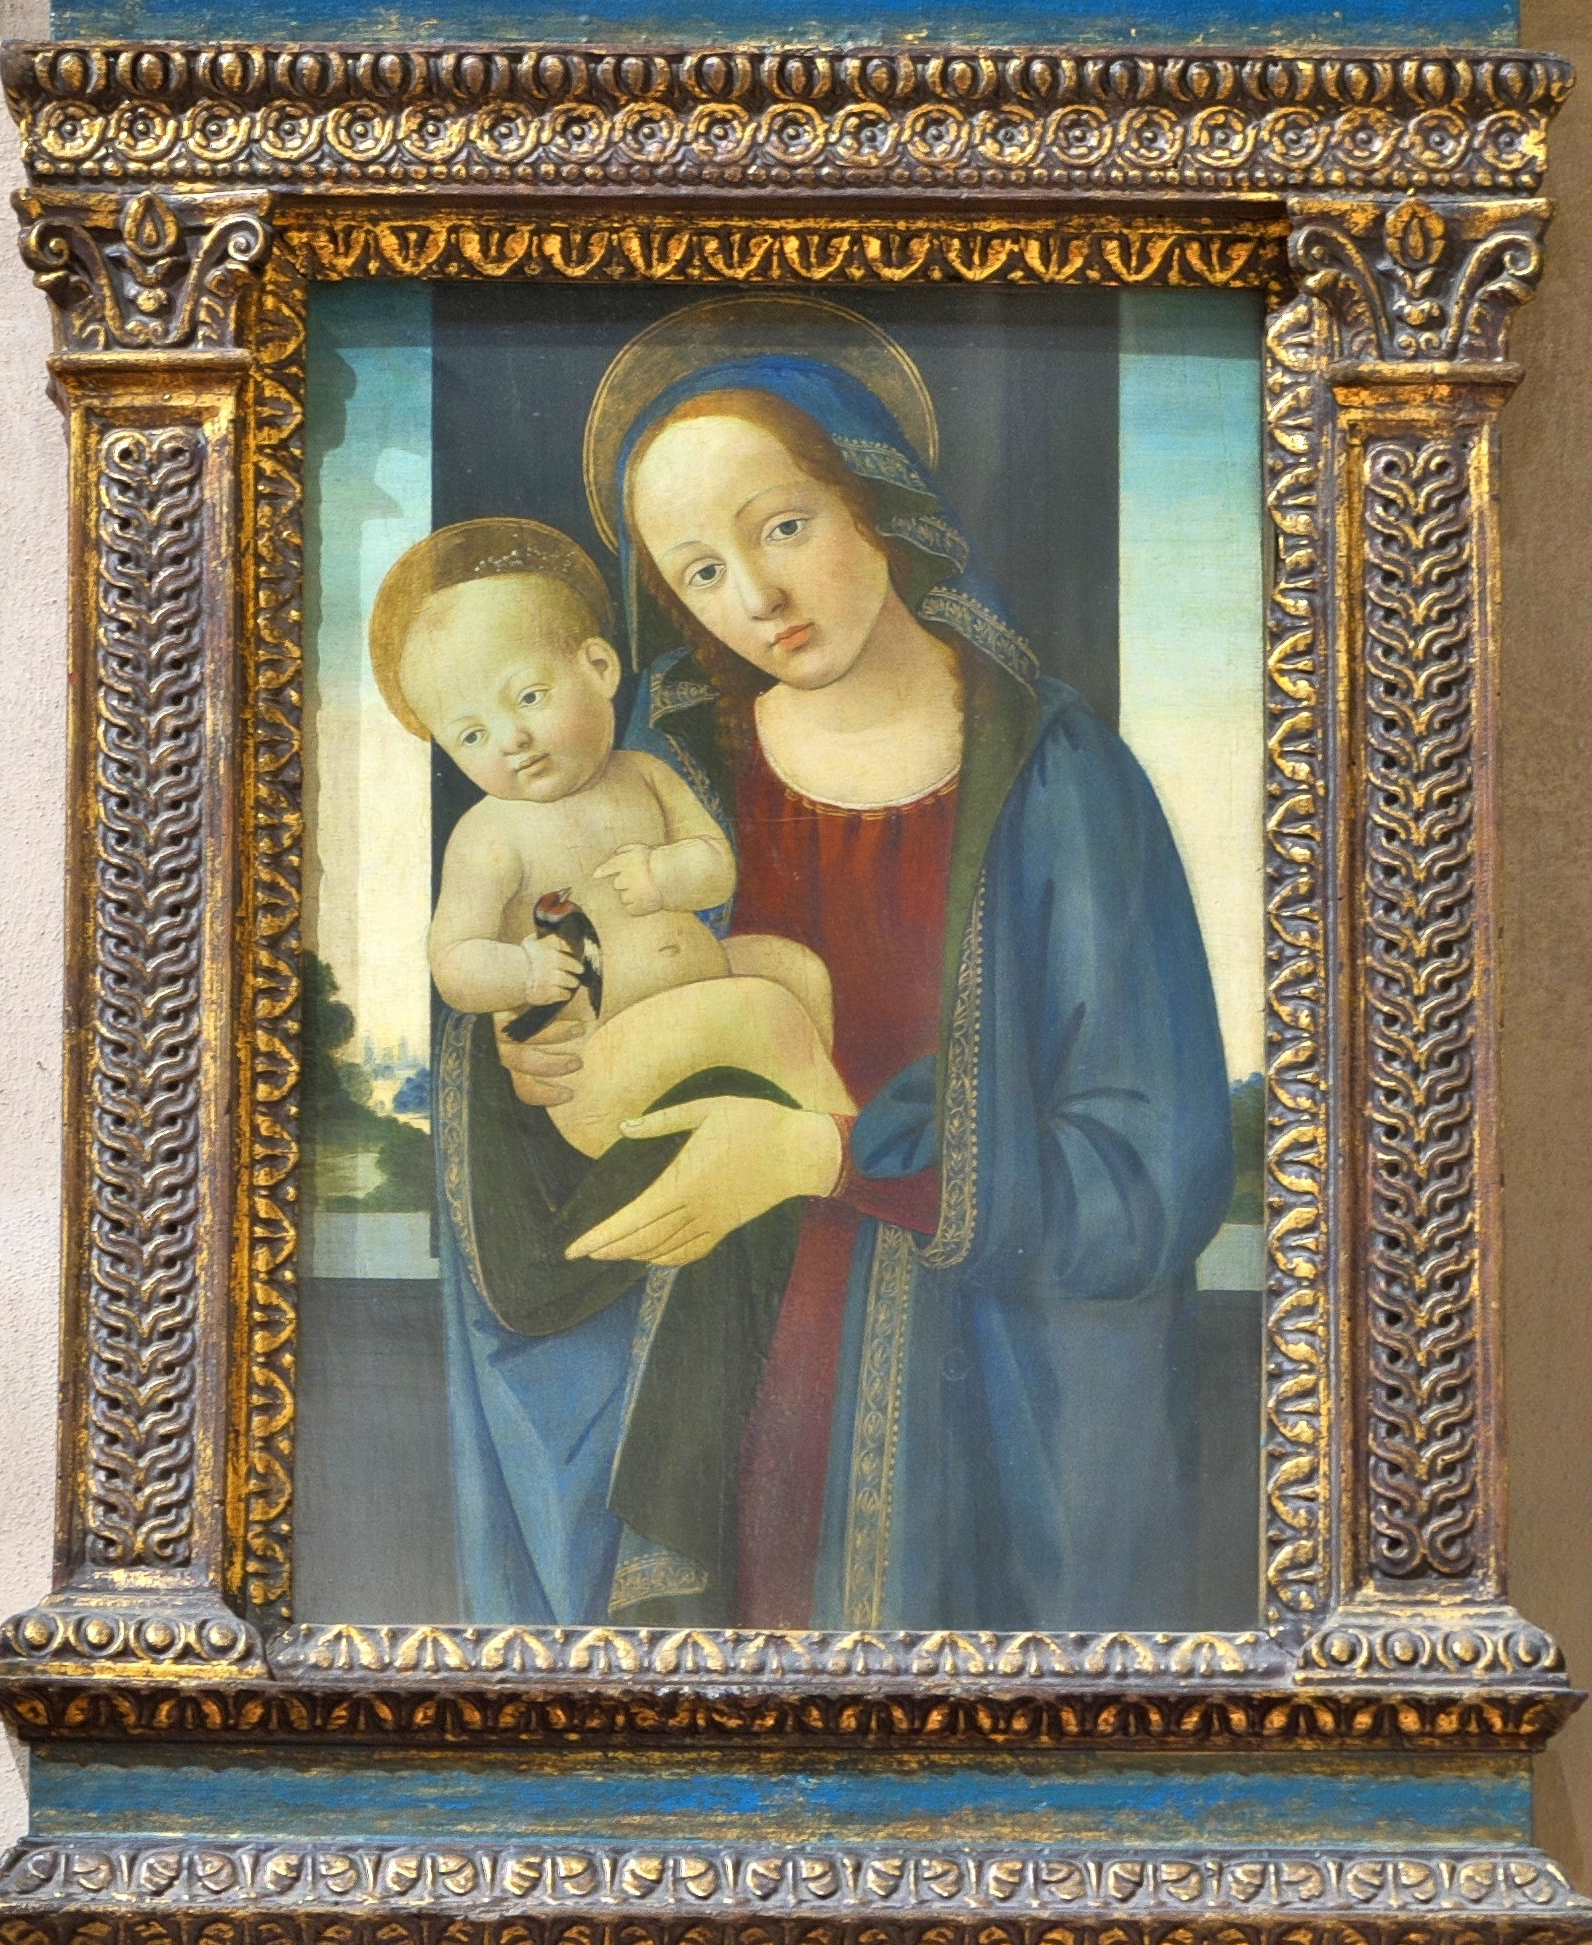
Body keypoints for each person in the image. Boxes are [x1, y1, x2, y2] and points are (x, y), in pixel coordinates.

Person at [433, 305, 1230, 1632]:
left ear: (876, 501)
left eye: (782, 525)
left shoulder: (1057, 778)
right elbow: (541, 1124)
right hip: (720, 1409)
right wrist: (535, 1048)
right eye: (696, 570)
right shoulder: (657, 775)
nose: (756, 597)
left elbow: (1150, 1173)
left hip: (977, 1440)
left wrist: (819, 1155)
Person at [371, 517, 851, 1164]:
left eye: (529, 696)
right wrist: (523, 970)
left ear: (597, 667)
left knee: (793, 970)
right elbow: (453, 959)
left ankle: (797, 1127)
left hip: (698, 1012)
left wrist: (667, 873)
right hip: (596, 1059)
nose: (510, 738)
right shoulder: (489, 837)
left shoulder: (645, 774)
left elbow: (716, 868)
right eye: (471, 736)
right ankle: (828, 1144)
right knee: (766, 1007)